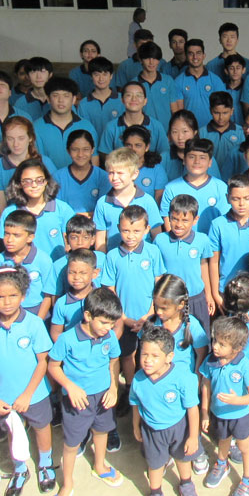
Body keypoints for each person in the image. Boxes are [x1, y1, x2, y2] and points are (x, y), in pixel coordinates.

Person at [0, 266, 55, 496]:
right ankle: (20, 469)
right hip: (4, 396)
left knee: (41, 427)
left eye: (13, 295)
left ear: (23, 296)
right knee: (13, 431)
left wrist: (28, 394)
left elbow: (42, 361)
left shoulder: (34, 324)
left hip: (35, 394)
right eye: (0, 297)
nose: (7, 302)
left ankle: (45, 464)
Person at [44, 287, 124, 496]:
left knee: (101, 431)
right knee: (71, 443)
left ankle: (100, 465)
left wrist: (114, 388)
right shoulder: (67, 339)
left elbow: (114, 361)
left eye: (112, 324)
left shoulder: (109, 337)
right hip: (77, 400)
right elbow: (53, 366)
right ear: (88, 316)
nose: (108, 328)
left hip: (103, 397)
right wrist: (69, 387)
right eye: (104, 323)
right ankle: (67, 484)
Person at [130, 324, 203, 496]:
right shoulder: (138, 380)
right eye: (144, 354)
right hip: (152, 430)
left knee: (182, 458)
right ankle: (155, 494)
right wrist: (136, 426)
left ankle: (186, 484)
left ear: (169, 357)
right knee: (154, 464)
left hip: (179, 428)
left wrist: (193, 436)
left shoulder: (182, 378)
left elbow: (192, 409)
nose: (148, 360)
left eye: (155, 356)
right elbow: (135, 404)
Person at [199, 316, 249, 496]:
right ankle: (222, 463)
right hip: (219, 414)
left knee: (245, 448)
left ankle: (248, 481)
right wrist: (204, 412)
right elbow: (205, 386)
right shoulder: (210, 361)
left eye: (222, 344)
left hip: (240, 416)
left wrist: (237, 401)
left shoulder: (244, 365)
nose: (215, 347)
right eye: (215, 341)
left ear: (237, 348)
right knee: (223, 440)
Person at [101, 205, 164, 388]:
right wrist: (124, 318)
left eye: (136, 231)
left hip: (150, 317)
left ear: (146, 229)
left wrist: (149, 314)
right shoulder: (112, 256)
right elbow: (110, 291)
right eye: (126, 231)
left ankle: (148, 387)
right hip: (123, 319)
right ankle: (130, 389)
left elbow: (159, 285)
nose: (130, 236)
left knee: (149, 353)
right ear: (119, 229)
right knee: (127, 355)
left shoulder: (152, 252)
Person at [0, 159, 75, 261]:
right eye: (27, 181)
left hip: (57, 267)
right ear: (19, 184)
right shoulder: (10, 212)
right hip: (22, 268)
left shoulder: (62, 209)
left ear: (46, 181)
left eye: (39, 180)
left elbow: (71, 244)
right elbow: (6, 247)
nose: (34, 185)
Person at [154, 196, 215, 329]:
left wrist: (209, 295)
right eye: (175, 219)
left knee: (200, 335)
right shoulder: (160, 240)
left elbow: (203, 266)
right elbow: (157, 273)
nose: (179, 224)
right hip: (170, 300)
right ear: (169, 217)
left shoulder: (202, 240)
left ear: (195, 220)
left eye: (185, 220)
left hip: (196, 297)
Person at [0, 210, 56, 319]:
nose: (9, 240)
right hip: (6, 314)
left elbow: (48, 295)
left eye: (16, 235)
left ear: (30, 237)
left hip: (36, 312)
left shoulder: (43, 260)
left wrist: (38, 321)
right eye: (6, 234)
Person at [93, 148, 164, 250]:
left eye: (120, 173)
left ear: (134, 174)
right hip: (114, 258)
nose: (114, 177)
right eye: (111, 173)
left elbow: (157, 236)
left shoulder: (147, 201)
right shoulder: (103, 203)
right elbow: (100, 241)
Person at [0, 117, 56, 215]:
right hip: (14, 220)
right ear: (5, 139)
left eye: (21, 138)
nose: (16, 144)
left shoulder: (45, 162)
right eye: (10, 139)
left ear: (30, 138)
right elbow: (2, 210)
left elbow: (54, 196)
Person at [160, 137, 229, 235]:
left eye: (202, 158)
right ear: (184, 160)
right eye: (192, 157)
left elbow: (225, 220)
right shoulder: (171, 188)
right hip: (180, 242)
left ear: (210, 162)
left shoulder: (221, 188)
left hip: (212, 243)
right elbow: (168, 222)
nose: (197, 161)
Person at [33, 77, 98, 170]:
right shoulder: (36, 127)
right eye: (55, 95)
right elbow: (36, 161)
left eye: (66, 96)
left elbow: (94, 157)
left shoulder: (86, 126)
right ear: (48, 99)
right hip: (48, 178)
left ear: (74, 99)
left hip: (81, 178)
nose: (61, 100)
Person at [53, 130, 111, 215]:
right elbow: (56, 210)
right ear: (68, 151)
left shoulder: (103, 177)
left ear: (92, 150)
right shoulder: (58, 177)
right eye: (75, 150)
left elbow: (105, 210)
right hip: (66, 223)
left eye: (85, 149)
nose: (80, 154)